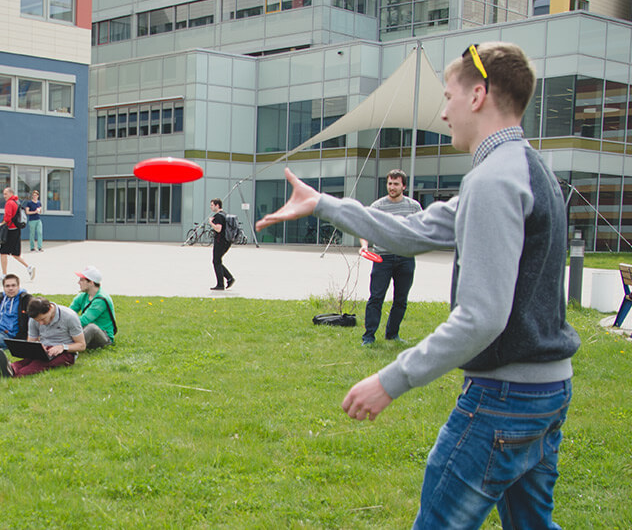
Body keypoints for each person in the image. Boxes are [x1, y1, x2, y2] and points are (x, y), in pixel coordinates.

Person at [256, 42, 580, 529]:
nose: (443, 113)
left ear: (478, 96)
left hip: (505, 399)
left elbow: (482, 318)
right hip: (548, 392)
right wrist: (322, 203)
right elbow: (415, 231)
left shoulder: (494, 180)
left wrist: (391, 380)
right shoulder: (528, 169)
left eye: (448, 97)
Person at [360, 169, 421, 346]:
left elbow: (422, 229)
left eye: (396, 184)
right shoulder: (377, 206)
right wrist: (364, 246)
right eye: (389, 183)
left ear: (404, 186)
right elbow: (364, 228)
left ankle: (392, 334)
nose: (392, 187)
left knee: (401, 300)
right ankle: (368, 337)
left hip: (406, 258)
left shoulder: (413, 207)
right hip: (383, 258)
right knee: (376, 298)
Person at [0, 297, 85, 379]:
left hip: (66, 352)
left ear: (50, 308)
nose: (40, 323)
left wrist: (62, 347)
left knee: (40, 363)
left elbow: (81, 345)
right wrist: (37, 347)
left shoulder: (69, 317)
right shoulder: (33, 319)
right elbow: (31, 341)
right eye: (38, 321)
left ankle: (12, 374)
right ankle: (7, 368)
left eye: (43, 319)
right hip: (45, 349)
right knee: (29, 359)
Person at [69, 265, 117, 349]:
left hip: (103, 336)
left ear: (91, 282)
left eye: (82, 280)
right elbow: (69, 313)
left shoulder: (101, 300)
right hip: (85, 330)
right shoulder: (83, 296)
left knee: (92, 328)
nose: (78, 282)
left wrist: (68, 326)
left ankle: (71, 347)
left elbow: (84, 320)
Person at [0, 187, 35, 281]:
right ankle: (29, 267)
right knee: (15, 254)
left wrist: (1, 224)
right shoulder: (16, 202)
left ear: (11, 193)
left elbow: (8, 217)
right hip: (17, 230)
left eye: (5, 194)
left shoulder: (9, 203)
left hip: (10, 231)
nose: (4, 196)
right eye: (3, 194)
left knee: (3, 252)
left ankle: (4, 275)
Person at [208, 198, 235, 291]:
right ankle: (229, 278)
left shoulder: (218, 216)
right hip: (227, 241)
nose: (210, 207)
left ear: (217, 205)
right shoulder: (225, 214)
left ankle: (221, 284)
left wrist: (211, 223)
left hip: (220, 242)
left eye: (212, 205)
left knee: (216, 261)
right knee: (217, 261)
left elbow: (218, 229)